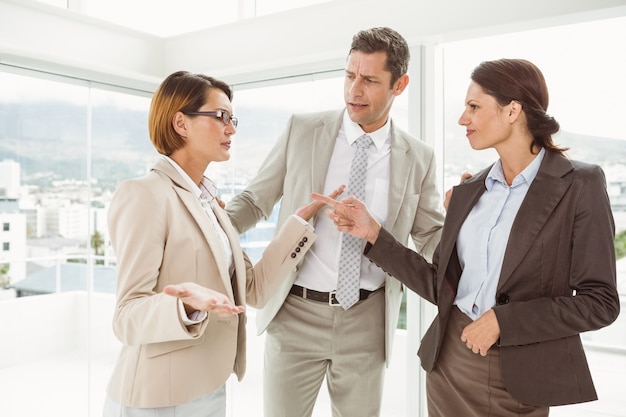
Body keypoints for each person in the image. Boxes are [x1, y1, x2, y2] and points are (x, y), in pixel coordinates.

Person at [315, 58, 621, 416]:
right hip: (448, 363)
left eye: (474, 107)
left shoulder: (579, 185)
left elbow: (600, 302)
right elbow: (439, 285)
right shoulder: (469, 191)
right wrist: (373, 234)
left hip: (517, 375)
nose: (463, 119)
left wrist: (504, 322)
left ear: (513, 111)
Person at [226, 27, 444, 416]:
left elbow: (430, 236)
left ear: (400, 84)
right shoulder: (302, 130)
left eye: (370, 80)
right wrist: (208, 230)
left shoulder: (419, 157)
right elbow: (254, 200)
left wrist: (468, 225)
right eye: (349, 75)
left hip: (367, 320)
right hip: (294, 314)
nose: (353, 90)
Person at [103, 70, 341, 417]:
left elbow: (253, 290)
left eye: (233, 119)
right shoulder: (145, 195)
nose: (231, 128)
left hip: (211, 388)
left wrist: (300, 223)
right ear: (180, 123)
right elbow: (126, 317)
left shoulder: (211, 203)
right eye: (220, 117)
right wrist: (186, 305)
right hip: (156, 398)